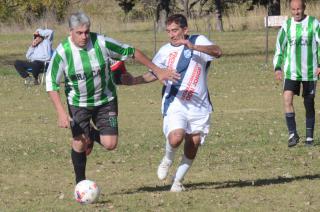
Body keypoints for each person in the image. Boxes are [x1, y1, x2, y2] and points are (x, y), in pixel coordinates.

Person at [45, 12, 179, 184]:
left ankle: (91, 134)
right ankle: (80, 183)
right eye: (79, 33)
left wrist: (158, 70)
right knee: (79, 143)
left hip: (106, 100)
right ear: (70, 31)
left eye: (87, 32)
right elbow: (51, 84)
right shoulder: (62, 52)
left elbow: (132, 52)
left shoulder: (101, 42)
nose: (84, 36)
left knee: (110, 144)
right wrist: (61, 113)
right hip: (78, 103)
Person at [121, 14, 222, 192]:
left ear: (185, 30)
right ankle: (167, 159)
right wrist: (133, 81)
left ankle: (177, 181)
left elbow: (217, 52)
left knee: (193, 144)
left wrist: (194, 47)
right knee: (176, 137)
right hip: (175, 102)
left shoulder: (198, 40)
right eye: (168, 31)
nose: (171, 35)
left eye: (175, 30)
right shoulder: (164, 51)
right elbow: (154, 73)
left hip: (199, 105)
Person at [273, 0, 320, 147]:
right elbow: (279, 48)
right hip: (291, 72)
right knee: (287, 99)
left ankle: (309, 137)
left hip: (310, 72)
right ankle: (293, 134)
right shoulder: (286, 26)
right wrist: (278, 68)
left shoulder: (314, 23)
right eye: (293, 9)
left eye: (298, 9)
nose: (296, 12)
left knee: (308, 103)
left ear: (304, 8)